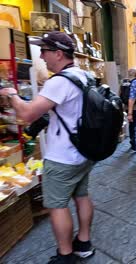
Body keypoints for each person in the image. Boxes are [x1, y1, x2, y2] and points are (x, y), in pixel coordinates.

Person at [0, 32, 96, 264]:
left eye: (44, 51)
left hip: (63, 156)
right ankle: (83, 243)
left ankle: (65, 255)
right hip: (84, 152)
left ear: (58, 53)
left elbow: (27, 113)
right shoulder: (85, 75)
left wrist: (12, 94)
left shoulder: (59, 82)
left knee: (56, 205)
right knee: (81, 196)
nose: (41, 56)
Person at [120, 68, 136, 151]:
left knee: (131, 124)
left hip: (127, 106)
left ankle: (132, 139)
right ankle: (135, 141)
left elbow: (119, 93)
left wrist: (122, 105)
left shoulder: (124, 81)